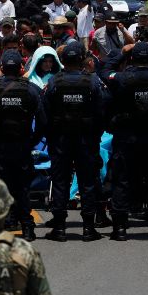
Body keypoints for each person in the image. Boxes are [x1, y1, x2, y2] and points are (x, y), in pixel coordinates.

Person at [43, 42, 106, 242]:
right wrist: (95, 135)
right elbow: (101, 112)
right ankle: (88, 228)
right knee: (87, 182)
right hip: (85, 140)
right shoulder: (92, 82)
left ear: (62, 60)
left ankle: (60, 227)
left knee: (60, 181)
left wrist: (51, 136)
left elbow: (45, 113)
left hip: (61, 140)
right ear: (81, 60)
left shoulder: (54, 82)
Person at [0, 50, 46, 242]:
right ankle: (27, 227)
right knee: (22, 187)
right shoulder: (31, 89)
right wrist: (32, 140)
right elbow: (43, 121)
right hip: (21, 145)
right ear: (21, 68)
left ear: (2, 69)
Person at [101, 41, 148, 240]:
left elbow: (104, 70)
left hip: (127, 137)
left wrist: (122, 53)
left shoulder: (122, 78)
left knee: (121, 180)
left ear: (131, 59)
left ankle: (120, 227)